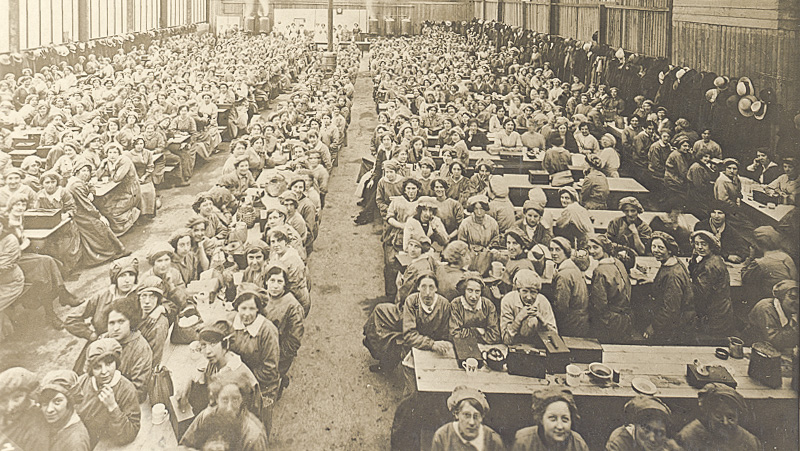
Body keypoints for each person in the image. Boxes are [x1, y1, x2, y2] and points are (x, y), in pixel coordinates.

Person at [184, 320, 262, 419]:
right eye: (203, 345)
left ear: (225, 344)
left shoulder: (239, 378)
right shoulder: (214, 362)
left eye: (213, 344)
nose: (207, 351)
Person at [229, 285, 281, 430]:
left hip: (263, 386)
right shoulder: (233, 323)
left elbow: (270, 370)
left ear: (258, 309)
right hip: (239, 383)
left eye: (252, 308)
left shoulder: (267, 331)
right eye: (243, 308)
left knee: (258, 428)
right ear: (237, 308)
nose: (247, 314)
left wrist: (240, 379)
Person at [75, 338, 141, 448]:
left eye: (109, 363)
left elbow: (130, 433)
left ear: (116, 363)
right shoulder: (82, 382)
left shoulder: (126, 389)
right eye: (97, 367)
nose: (104, 371)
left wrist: (112, 407)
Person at [66, 158, 127, 265]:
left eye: (88, 171)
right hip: (79, 213)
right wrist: (99, 216)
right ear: (77, 172)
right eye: (83, 171)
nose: (86, 173)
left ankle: (115, 250)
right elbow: (87, 205)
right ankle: (106, 255)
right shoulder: (75, 185)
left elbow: (90, 187)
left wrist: (91, 192)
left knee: (102, 219)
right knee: (98, 225)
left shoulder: (79, 181)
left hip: (82, 210)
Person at [180, 382, 269, 451]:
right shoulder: (205, 416)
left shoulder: (254, 435)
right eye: (225, 400)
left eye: (235, 399)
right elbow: (185, 445)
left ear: (242, 400)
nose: (229, 408)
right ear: (217, 399)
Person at [676, 383, 761, 451]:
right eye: (718, 416)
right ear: (708, 414)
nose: (725, 422)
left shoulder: (750, 442)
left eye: (731, 417)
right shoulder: (688, 437)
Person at [644, 232, 695, 343]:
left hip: (676, 326)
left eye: (661, 248)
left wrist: (653, 326)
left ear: (670, 250)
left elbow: (671, 310)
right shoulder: (674, 262)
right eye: (654, 246)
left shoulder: (673, 276)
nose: (655, 250)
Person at [260, 264, 304, 392]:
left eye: (279, 281)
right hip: (260, 348)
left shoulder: (293, 306)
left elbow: (294, 340)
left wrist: (278, 357)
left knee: (270, 384)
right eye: (272, 280)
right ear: (266, 281)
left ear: (285, 284)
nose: (275, 285)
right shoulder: (261, 297)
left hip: (279, 353)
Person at [103, 297, 153, 402]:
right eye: (111, 323)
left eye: (121, 322)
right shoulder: (103, 340)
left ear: (131, 322)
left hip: (125, 401)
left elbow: (139, 391)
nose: (116, 328)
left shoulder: (141, 349)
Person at [587, 233, 633, 343]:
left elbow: (599, 304)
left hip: (611, 321)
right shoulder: (618, 262)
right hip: (626, 318)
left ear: (605, 249)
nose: (591, 251)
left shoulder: (600, 271)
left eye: (595, 247)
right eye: (589, 247)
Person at [512, 387, 589, 451]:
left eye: (565, 419)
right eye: (553, 419)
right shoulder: (524, 442)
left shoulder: (578, 445)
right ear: (541, 419)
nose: (559, 426)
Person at [689, 231, 734, 339]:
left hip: (715, 313)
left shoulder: (710, 265)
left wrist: (684, 284)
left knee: (709, 339)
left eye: (703, 244)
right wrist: (694, 260)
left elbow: (699, 292)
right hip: (718, 308)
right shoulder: (711, 258)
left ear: (711, 245)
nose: (699, 247)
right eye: (697, 244)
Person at [431, 386, 505, 451]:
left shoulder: (493, 440)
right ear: (457, 414)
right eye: (467, 415)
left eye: (476, 416)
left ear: (482, 417)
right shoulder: (443, 436)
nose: (471, 422)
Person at [95, 143, 142, 235]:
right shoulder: (108, 161)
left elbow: (117, 178)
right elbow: (98, 176)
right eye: (110, 152)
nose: (112, 155)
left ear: (119, 153)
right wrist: (101, 166)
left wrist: (111, 169)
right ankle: (114, 227)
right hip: (118, 189)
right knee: (104, 205)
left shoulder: (125, 161)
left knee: (114, 210)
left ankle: (131, 217)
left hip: (130, 191)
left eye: (115, 152)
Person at [741, 226, 797, 303]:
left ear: (757, 245)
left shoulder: (759, 263)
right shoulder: (786, 257)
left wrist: (750, 258)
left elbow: (745, 278)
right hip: (790, 300)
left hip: (769, 301)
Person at [38, 369, 91, 451]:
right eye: (45, 403)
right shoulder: (58, 422)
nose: (49, 409)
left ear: (69, 402)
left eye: (57, 401)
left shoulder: (76, 442)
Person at [500, 269, 557, 344]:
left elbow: (555, 338)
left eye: (533, 292)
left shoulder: (543, 301)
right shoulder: (508, 300)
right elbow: (506, 339)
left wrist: (542, 320)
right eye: (525, 291)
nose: (529, 297)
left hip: (537, 343)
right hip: (516, 344)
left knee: (533, 320)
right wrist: (519, 319)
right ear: (518, 290)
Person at [0, 367, 51, 451]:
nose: (11, 405)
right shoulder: (4, 416)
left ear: (28, 395)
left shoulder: (36, 425)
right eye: (4, 401)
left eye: (17, 397)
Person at [605, 395, 681, 451]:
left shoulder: (667, 445)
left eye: (659, 433)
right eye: (646, 429)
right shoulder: (619, 443)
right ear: (635, 425)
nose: (652, 439)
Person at [746, 279, 798, 356]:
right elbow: (774, 340)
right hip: (751, 349)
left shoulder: (788, 310)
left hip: (772, 351)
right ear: (781, 297)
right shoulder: (765, 308)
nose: (798, 302)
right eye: (792, 297)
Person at [550, 237, 590, 337]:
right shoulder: (573, 268)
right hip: (581, 321)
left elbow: (561, 306)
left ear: (566, 252)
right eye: (551, 249)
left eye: (558, 250)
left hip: (572, 323)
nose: (554, 253)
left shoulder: (564, 275)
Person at [450, 271, 501, 344]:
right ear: (464, 290)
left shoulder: (488, 305)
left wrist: (466, 333)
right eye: (470, 291)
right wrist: (478, 331)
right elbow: (454, 335)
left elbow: (495, 336)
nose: (474, 296)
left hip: (485, 347)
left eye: (477, 291)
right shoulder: (456, 305)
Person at [459, 194, 501, 275]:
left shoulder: (492, 223)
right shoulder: (465, 224)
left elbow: (495, 239)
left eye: (481, 209)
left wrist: (489, 249)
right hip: (470, 256)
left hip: (487, 256)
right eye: (476, 209)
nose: (479, 212)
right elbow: (461, 243)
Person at [0, 215, 24, 341]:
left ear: (2, 226)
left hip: (11, 282)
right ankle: (6, 331)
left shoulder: (10, 240)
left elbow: (3, 266)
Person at [136, 276, 170, 366]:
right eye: (144, 296)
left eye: (152, 296)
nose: (147, 301)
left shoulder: (159, 325)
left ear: (158, 300)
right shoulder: (134, 310)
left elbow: (154, 358)